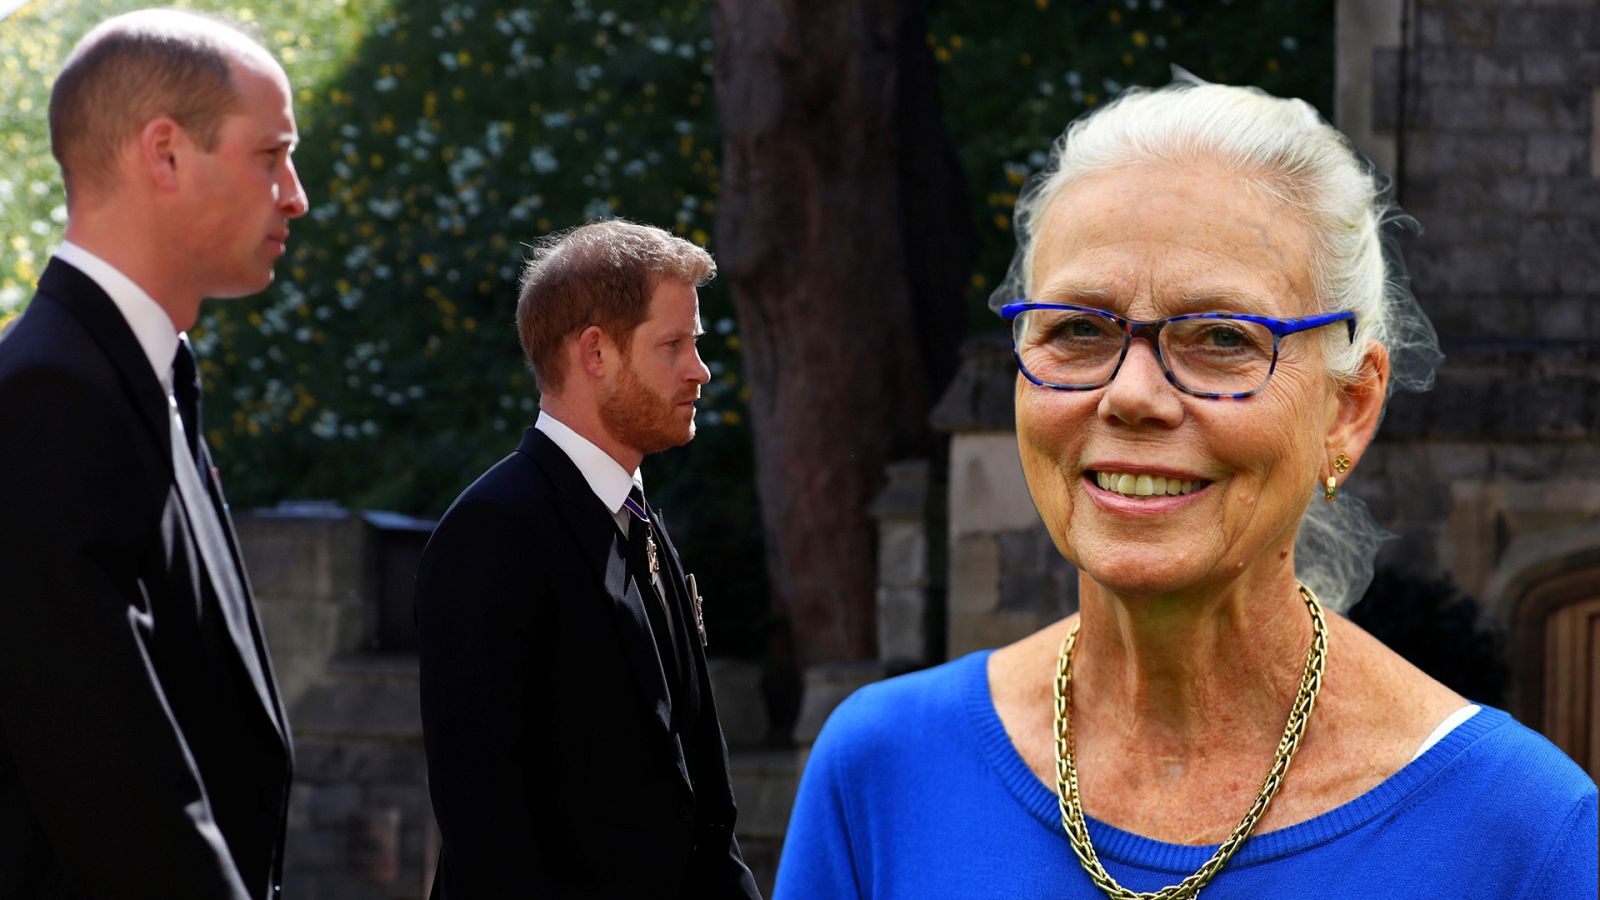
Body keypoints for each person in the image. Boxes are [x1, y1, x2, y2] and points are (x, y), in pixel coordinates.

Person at [775, 82, 1598, 898]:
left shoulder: (1525, 835)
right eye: (1078, 329)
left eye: (1221, 338)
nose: (1132, 395)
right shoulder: (883, 773)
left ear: (1348, 409)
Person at [0, 9, 306, 900]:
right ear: (164, 153)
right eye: (270, 155)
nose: (295, 195)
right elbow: (115, 797)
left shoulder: (137, 374)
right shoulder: (47, 397)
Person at [416, 219, 762, 898]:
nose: (700, 370)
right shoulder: (493, 530)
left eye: (695, 343)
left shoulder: (642, 521)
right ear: (596, 352)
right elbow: (489, 834)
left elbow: (705, 814)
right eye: (674, 345)